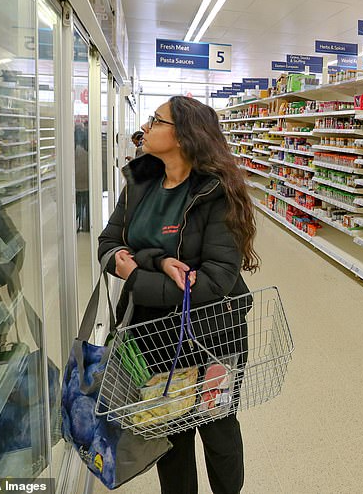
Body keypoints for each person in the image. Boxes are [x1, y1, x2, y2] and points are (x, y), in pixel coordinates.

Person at [98, 96, 259, 494]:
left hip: (213, 334)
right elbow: (109, 242)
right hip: (152, 333)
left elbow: (215, 280)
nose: (147, 126)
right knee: (167, 431)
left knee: (218, 427)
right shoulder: (139, 182)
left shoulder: (217, 192)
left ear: (185, 136)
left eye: (157, 120)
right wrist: (148, 260)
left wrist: (135, 272)